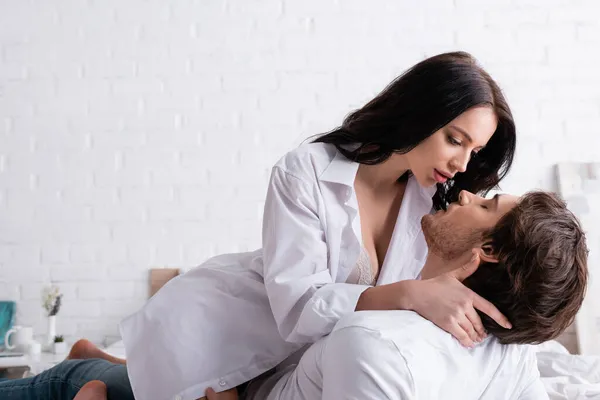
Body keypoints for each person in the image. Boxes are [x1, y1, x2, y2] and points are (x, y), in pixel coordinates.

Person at [0, 51, 517, 400]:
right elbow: (298, 310)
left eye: (473, 150)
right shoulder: (307, 171)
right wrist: (407, 294)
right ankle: (87, 367)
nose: (462, 163)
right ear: (421, 112)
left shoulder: (436, 205)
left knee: (122, 384)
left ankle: (98, 361)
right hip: (225, 333)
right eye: (455, 139)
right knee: (86, 386)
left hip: (285, 370)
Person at [235, 190, 588, 400]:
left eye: (485, 205)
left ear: (489, 248)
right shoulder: (510, 353)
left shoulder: (373, 344)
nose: (466, 195)